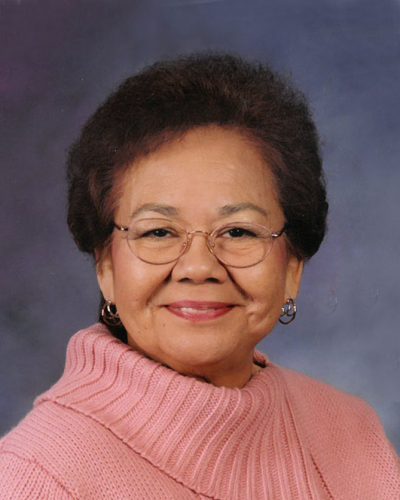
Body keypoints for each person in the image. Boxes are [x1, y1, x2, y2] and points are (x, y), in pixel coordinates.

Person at [0, 52, 398, 499]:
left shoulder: (353, 431)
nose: (198, 267)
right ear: (106, 267)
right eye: (158, 232)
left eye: (239, 231)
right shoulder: (36, 477)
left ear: (292, 268)